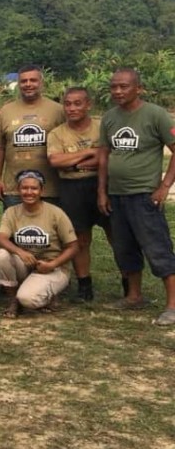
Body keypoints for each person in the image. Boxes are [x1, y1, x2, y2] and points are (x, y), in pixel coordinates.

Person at [97, 68, 175, 324]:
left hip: (144, 195)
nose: (118, 91)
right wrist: (102, 191)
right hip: (117, 195)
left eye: (124, 86)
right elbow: (104, 156)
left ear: (138, 88)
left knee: (157, 248)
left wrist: (164, 186)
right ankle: (134, 296)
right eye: (114, 87)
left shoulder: (156, 114)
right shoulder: (110, 117)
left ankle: (172, 305)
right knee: (124, 248)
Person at [46, 86, 111, 302]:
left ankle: (128, 283)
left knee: (116, 235)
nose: (72, 108)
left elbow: (107, 157)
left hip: (102, 184)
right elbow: (56, 161)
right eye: (67, 104)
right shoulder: (57, 133)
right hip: (71, 188)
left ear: (88, 104)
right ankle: (84, 285)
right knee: (80, 238)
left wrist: (73, 162)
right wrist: (91, 152)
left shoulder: (102, 128)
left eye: (77, 103)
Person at [0, 170, 78, 318]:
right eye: (24, 188)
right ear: (18, 190)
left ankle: (48, 294)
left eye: (34, 188)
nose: (29, 192)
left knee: (28, 299)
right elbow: (1, 238)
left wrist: (52, 264)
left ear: (42, 190)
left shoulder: (56, 213)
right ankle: (13, 300)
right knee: (0, 255)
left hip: (52, 267)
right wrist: (20, 252)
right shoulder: (12, 212)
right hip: (26, 263)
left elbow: (73, 246)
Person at [0, 65, 65, 207]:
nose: (28, 84)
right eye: (24, 81)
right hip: (14, 188)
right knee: (15, 222)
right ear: (18, 84)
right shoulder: (6, 111)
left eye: (33, 80)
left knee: (50, 222)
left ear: (41, 83)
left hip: (50, 188)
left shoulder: (58, 110)